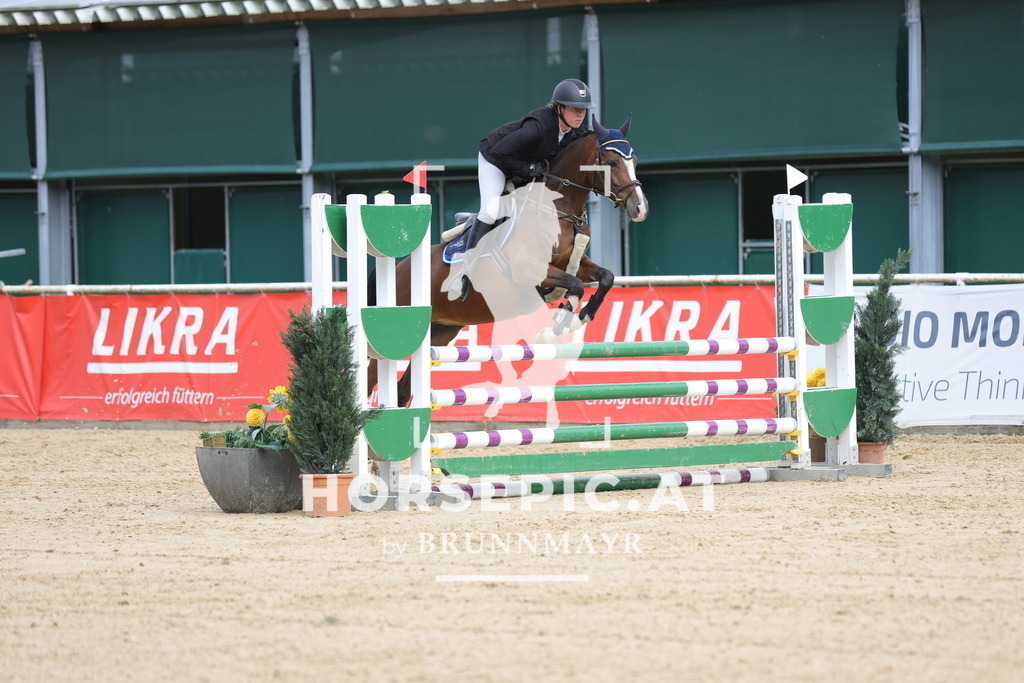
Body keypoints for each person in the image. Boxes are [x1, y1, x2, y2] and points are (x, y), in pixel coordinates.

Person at [450, 78, 595, 300]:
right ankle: (464, 273)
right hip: (495, 159)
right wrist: (527, 168)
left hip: (524, 165)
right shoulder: (537, 127)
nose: (580, 114)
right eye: (575, 109)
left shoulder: (573, 132)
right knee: (491, 209)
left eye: (583, 110)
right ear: (559, 108)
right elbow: (500, 153)